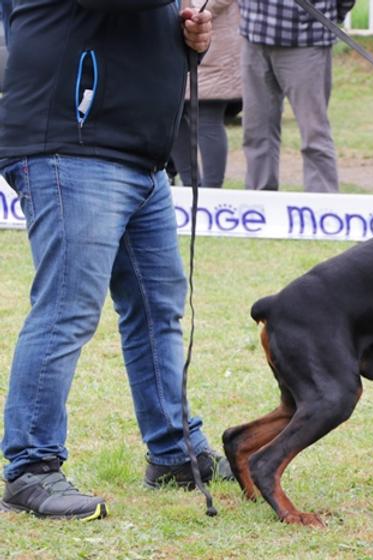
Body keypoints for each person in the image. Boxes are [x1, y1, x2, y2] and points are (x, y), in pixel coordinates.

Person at [0, 0, 232, 521]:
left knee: (157, 309)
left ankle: (174, 452)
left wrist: (188, 39)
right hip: (71, 147)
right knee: (67, 309)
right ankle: (31, 469)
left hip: (138, 157)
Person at [240, 0, 355, 193]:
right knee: (256, 133)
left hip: (306, 39)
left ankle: (322, 205)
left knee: (314, 135)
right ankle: (258, 203)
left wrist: (329, 16)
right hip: (254, 34)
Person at [169, 0, 242, 189]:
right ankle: (189, 184)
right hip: (174, 36)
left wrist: (191, 11)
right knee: (173, 117)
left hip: (214, 42)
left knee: (208, 118)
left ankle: (212, 191)